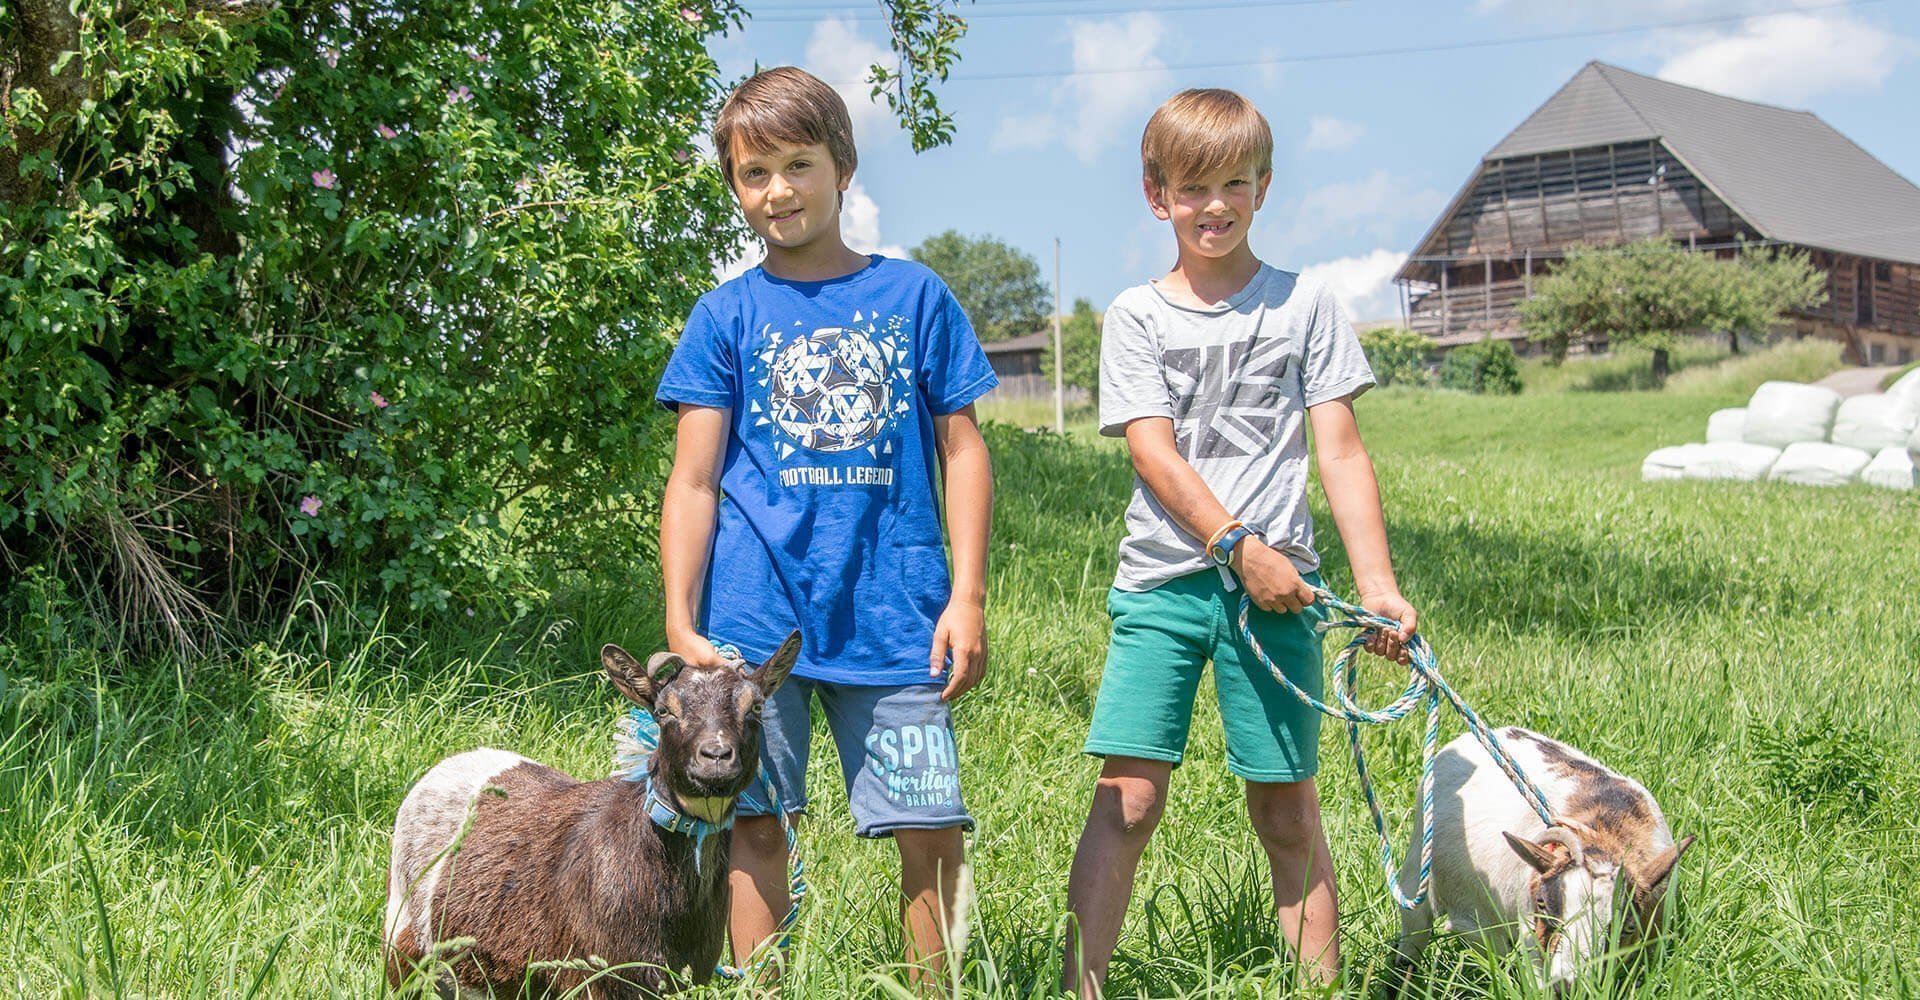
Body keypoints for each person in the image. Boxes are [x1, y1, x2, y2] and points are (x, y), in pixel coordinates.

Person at [1061, 88, 1418, 996]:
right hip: (1165, 586)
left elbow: (1337, 448)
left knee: (1287, 806)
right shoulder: (1137, 316)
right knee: (1129, 799)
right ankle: (1080, 988)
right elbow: (1152, 449)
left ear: (1263, 185)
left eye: (1232, 184)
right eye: (1191, 188)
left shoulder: (1306, 305)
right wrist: (1235, 545)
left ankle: (1318, 988)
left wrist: (1375, 584)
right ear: (1156, 195)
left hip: (1284, 591)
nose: (1213, 205)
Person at [654, 66, 996, 986]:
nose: (778, 191)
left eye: (798, 165)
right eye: (753, 173)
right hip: (755, 633)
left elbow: (963, 451)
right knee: (755, 822)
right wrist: (685, 626)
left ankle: (943, 987)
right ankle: (761, 987)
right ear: (733, 186)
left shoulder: (915, 297)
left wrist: (965, 597)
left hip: (898, 620)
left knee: (930, 827)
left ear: (843, 167)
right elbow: (693, 482)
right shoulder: (723, 317)